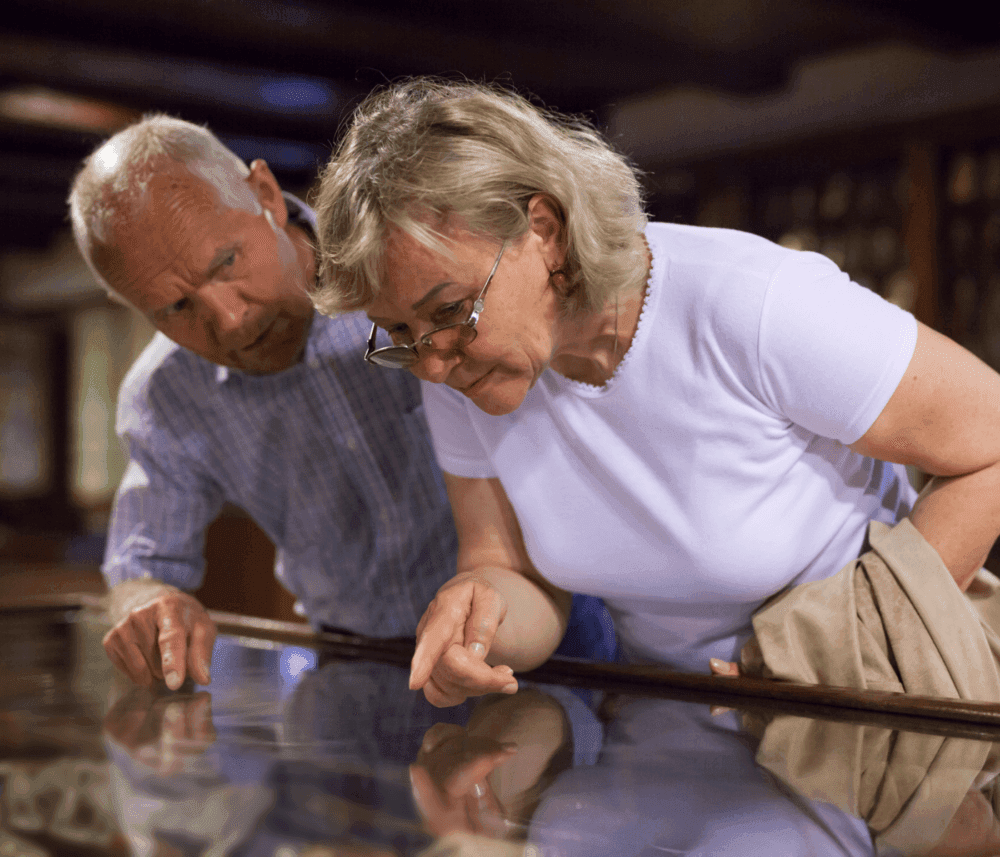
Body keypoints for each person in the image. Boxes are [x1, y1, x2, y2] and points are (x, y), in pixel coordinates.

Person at [310, 77, 1000, 708]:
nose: (432, 364)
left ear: (543, 232)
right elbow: (512, 571)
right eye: (399, 331)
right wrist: (478, 612)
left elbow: (991, 437)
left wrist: (847, 650)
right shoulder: (463, 372)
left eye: (449, 308)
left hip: (866, 710)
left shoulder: (749, 305)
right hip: (672, 717)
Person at [67, 115, 461, 692]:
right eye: (175, 309)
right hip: (348, 667)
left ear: (267, 196)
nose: (229, 321)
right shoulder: (167, 393)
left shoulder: (405, 267)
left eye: (226, 262)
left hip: (541, 643)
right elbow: (140, 568)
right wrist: (147, 601)